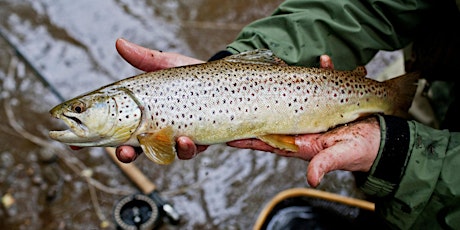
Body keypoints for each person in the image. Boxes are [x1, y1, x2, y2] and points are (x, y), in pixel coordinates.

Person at [111, 0, 460, 229]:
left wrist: (396, 153)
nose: (74, 116)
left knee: (394, 178)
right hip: (441, 86)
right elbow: (366, 5)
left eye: (80, 110)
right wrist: (226, 65)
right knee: (379, 179)